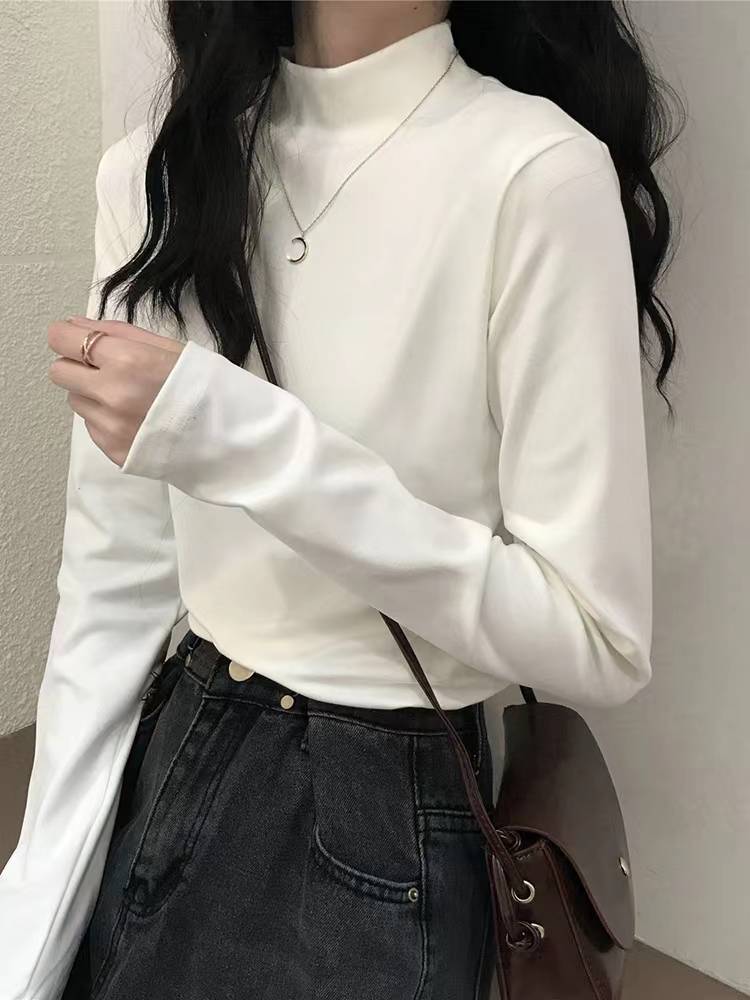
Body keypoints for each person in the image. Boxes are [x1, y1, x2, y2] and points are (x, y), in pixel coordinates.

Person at [0, 2, 683, 998]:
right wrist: (30, 927)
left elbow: (596, 636)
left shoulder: (535, 174)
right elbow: (112, 588)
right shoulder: (159, 168)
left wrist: (251, 444)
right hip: (175, 752)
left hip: (385, 813)